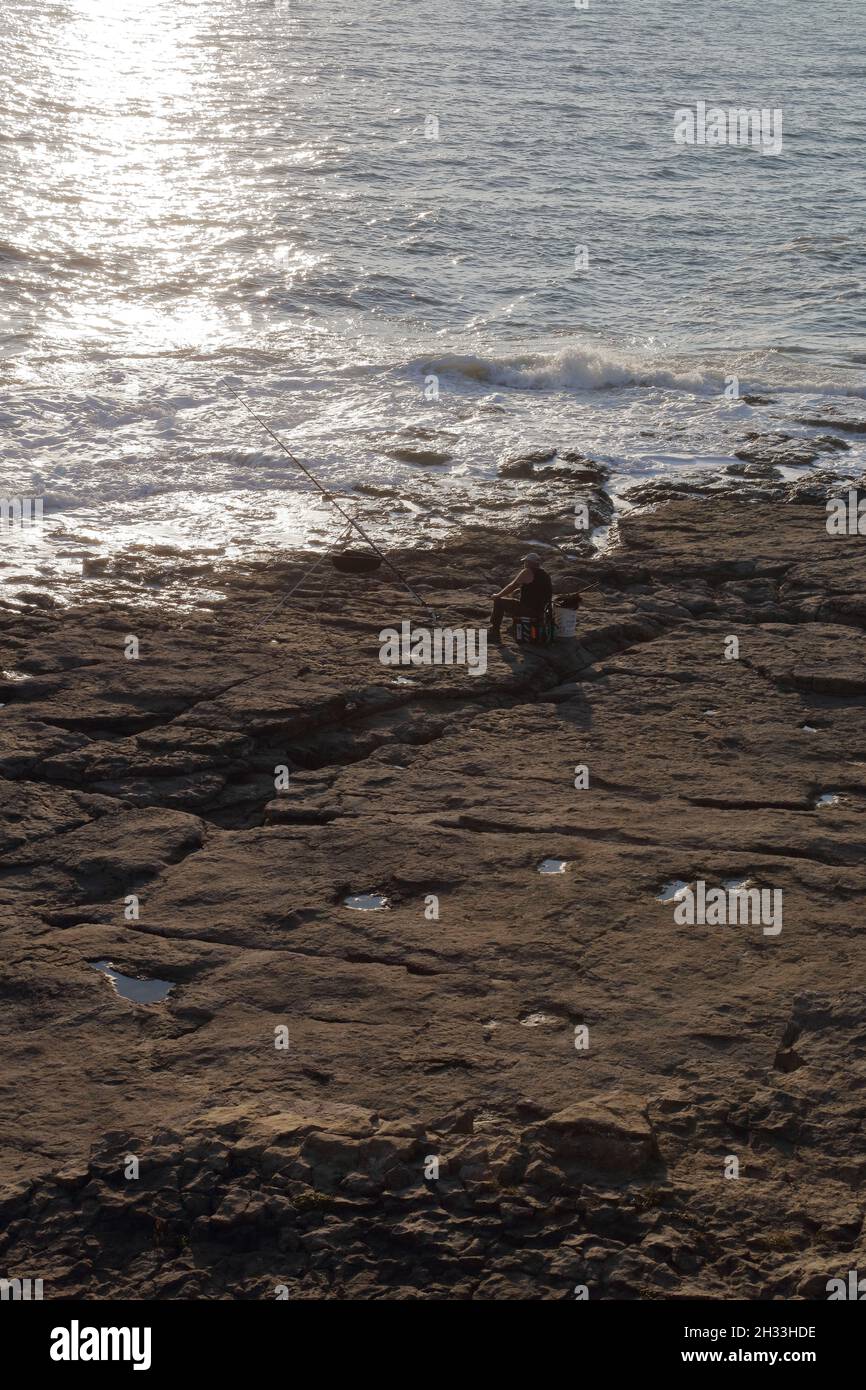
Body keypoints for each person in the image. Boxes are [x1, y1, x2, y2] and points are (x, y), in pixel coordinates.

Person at [489, 552, 553, 641]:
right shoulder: (545, 574)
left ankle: (494, 632)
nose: (524, 564)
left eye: (525, 562)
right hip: (542, 611)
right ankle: (514, 627)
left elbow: (512, 586)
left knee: (499, 602)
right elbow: (538, 589)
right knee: (516, 601)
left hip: (529, 610)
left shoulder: (528, 571)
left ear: (529, 563)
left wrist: (497, 595)